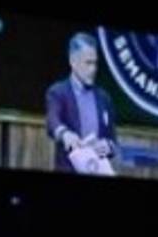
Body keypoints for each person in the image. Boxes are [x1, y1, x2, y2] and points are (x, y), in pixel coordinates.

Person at [45, 32, 120, 173]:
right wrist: (65, 133)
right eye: (88, 63)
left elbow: (113, 139)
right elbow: (52, 120)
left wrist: (109, 146)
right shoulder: (58, 92)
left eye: (95, 63)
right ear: (73, 61)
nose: (93, 69)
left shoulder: (105, 98)